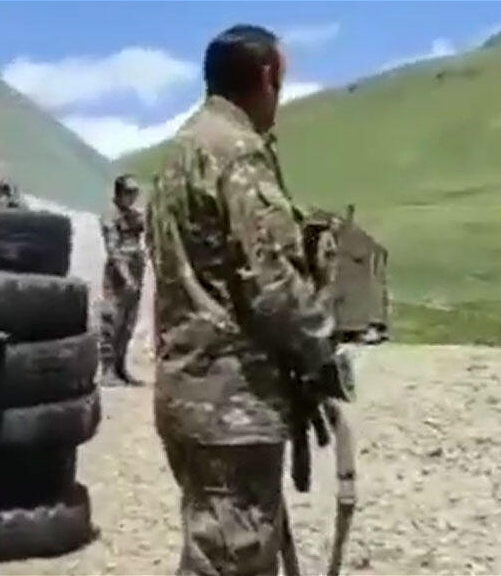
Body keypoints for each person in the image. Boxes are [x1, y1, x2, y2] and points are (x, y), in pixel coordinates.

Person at [145, 24, 346, 575]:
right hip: (233, 404)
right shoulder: (237, 154)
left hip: (188, 394)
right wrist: (322, 347)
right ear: (266, 75)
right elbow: (272, 285)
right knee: (233, 560)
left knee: (217, 549)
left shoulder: (179, 153)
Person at [98, 174, 146, 387]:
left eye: (135, 192)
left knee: (128, 322)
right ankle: (108, 370)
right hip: (118, 274)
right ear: (119, 193)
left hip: (135, 271)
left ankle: (121, 367)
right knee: (113, 320)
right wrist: (126, 277)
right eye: (129, 192)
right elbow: (113, 250)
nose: (133, 197)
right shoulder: (111, 215)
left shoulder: (134, 215)